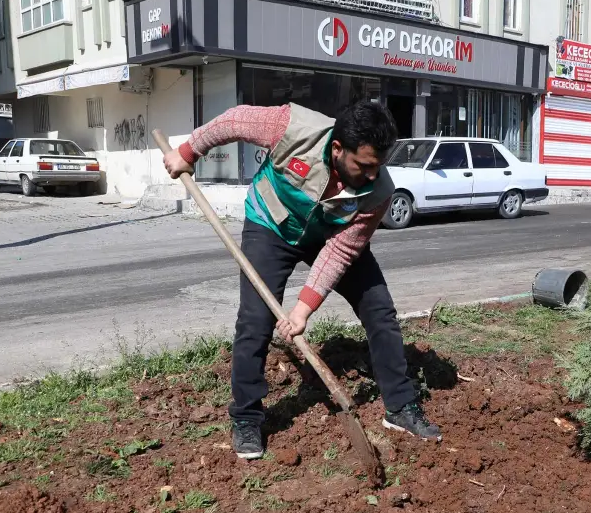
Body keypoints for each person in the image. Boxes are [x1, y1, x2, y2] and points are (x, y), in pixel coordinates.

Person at [161, 100, 441, 459]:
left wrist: (303, 309)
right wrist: (188, 151)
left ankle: (400, 407)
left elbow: (340, 252)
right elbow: (233, 121)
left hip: (329, 235)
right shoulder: (292, 127)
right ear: (338, 149)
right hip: (271, 224)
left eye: (379, 167)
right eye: (365, 166)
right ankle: (246, 416)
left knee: (379, 308)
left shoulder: (378, 192)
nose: (373, 175)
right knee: (255, 320)